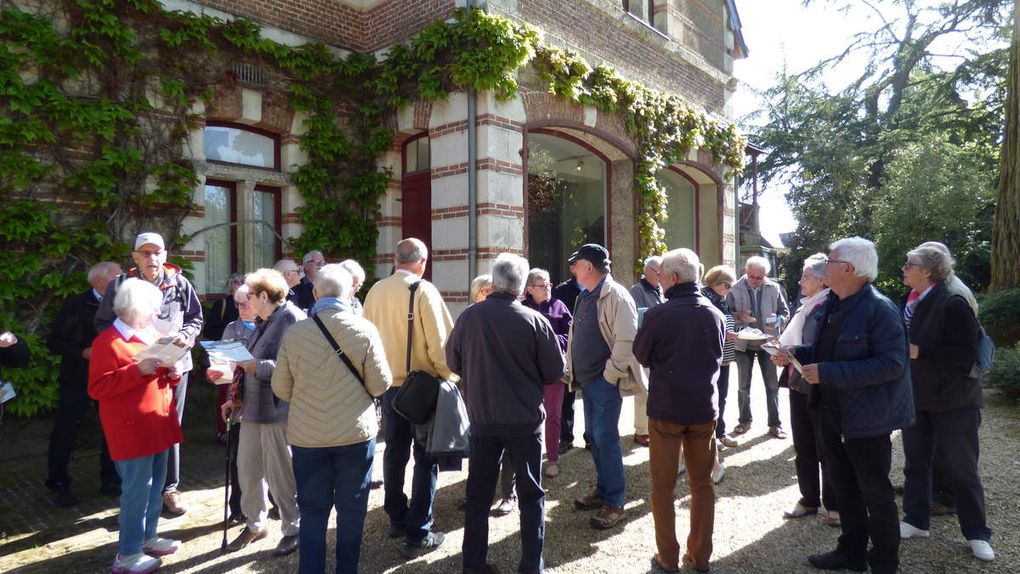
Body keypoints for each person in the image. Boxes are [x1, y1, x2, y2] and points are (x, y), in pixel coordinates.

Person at [775, 237, 914, 574]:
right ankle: (851, 552)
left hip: (867, 418)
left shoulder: (879, 310)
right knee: (843, 487)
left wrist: (828, 372)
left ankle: (884, 562)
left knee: (875, 493)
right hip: (831, 411)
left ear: (849, 270)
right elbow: (827, 351)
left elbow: (891, 365)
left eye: (831, 262)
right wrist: (795, 356)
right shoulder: (834, 303)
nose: (825, 268)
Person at [447, 253, 566, 574]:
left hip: (483, 417)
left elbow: (452, 361)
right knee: (531, 494)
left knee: (478, 493)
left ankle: (473, 563)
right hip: (524, 419)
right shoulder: (534, 320)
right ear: (521, 286)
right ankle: (530, 565)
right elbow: (555, 370)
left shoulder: (470, 317)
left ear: (495, 282)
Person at [273, 264, 392, 574]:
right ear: (350, 292)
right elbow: (380, 384)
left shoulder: (295, 333)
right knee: (351, 511)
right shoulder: (364, 330)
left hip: (307, 437)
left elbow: (281, 387)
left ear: (314, 293)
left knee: (312, 510)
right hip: (354, 435)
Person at [95, 232, 203, 517]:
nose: (151, 258)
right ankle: (135, 493)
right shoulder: (120, 285)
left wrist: (185, 336)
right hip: (136, 367)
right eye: (145, 252)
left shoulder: (180, 283)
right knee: (135, 425)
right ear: (134, 257)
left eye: (156, 252)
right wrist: (130, 349)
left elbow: (195, 318)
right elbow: (104, 324)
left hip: (175, 365)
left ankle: (170, 489)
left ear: (165, 255)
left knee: (170, 425)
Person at [898, 245, 994, 562]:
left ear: (928, 270)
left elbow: (965, 353)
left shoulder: (953, 301)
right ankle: (915, 520)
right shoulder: (913, 300)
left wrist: (920, 352)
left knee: (962, 469)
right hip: (919, 394)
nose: (904, 269)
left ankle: (977, 534)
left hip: (955, 399)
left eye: (909, 264)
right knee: (915, 462)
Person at [634, 248, 724, 574]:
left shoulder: (659, 314)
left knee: (663, 485)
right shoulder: (715, 313)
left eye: (662, 276)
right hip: (703, 408)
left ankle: (667, 558)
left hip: (667, 410)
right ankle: (699, 558)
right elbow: (719, 356)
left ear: (672, 278)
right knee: (702, 485)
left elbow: (641, 354)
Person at [364, 238, 456, 557]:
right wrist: (452, 379)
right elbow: (440, 347)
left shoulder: (375, 291)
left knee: (394, 452)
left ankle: (396, 516)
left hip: (388, 387)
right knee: (425, 458)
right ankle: (419, 530)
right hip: (420, 388)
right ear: (422, 262)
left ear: (395, 259)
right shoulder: (423, 290)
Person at [87, 278, 184, 574]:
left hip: (157, 423)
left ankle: (148, 537)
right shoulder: (107, 342)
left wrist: (174, 371)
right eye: (153, 309)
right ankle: (127, 554)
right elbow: (97, 388)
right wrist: (137, 370)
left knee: (155, 486)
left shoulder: (149, 334)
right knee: (136, 491)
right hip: (131, 429)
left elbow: (161, 377)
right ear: (133, 309)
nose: (157, 315)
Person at [215, 269, 304, 557]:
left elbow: (295, 370)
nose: (245, 300)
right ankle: (255, 522)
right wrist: (233, 398)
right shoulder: (264, 321)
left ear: (264, 296)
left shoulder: (291, 320)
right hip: (250, 410)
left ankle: (293, 528)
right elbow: (244, 367)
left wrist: (258, 366)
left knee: (281, 474)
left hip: (278, 411)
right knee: (248, 469)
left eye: (250, 295)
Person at [564, 243, 641, 530]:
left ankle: (614, 501)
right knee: (595, 439)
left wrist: (610, 375)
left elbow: (627, 341)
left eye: (576, 264)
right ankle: (603, 489)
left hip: (603, 382)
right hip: (589, 381)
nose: (572, 269)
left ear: (589, 267)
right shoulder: (586, 294)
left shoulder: (616, 295)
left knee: (606, 440)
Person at [45, 261, 123, 508]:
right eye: (117, 276)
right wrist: (82, 352)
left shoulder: (123, 305)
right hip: (77, 378)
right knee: (66, 430)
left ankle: (110, 480)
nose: (122, 280)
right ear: (99, 280)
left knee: (112, 429)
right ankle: (59, 482)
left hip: (110, 376)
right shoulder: (75, 305)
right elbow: (54, 342)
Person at [777, 254, 839, 527]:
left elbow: (825, 347)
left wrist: (791, 352)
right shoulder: (805, 305)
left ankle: (834, 504)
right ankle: (809, 498)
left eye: (806, 276)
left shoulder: (830, 305)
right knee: (803, 444)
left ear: (823, 279)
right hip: (797, 381)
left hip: (819, 383)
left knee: (826, 446)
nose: (800, 281)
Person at [727, 255, 790, 439]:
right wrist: (740, 316)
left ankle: (775, 424)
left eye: (759, 277)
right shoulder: (735, 288)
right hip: (743, 342)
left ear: (765, 275)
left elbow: (785, 312)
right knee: (743, 385)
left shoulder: (774, 288)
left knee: (772, 384)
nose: (755, 280)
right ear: (746, 272)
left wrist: (778, 321)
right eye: (752, 276)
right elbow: (727, 314)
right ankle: (744, 420)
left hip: (768, 342)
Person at [522, 268, 572, 479]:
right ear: (530, 288)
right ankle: (527, 460)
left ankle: (552, 459)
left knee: (553, 415)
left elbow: (570, 336)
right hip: (527, 372)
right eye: (543, 285)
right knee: (528, 416)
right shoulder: (521, 308)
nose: (548, 288)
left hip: (553, 370)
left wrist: (548, 340)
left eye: (549, 284)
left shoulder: (559, 306)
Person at [217, 283, 258, 523]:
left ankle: (273, 501)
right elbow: (222, 366)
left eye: (246, 303)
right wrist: (218, 371)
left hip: (263, 398)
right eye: (238, 304)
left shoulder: (268, 327)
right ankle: (237, 508)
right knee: (238, 456)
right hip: (239, 399)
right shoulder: (232, 329)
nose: (242, 308)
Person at [700, 265, 740, 484]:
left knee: (722, 396)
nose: (729, 289)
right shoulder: (707, 298)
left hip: (725, 356)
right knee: (714, 398)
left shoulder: (721, 299)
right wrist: (728, 334)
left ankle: (720, 433)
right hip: (714, 357)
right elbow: (711, 328)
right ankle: (713, 437)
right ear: (716, 283)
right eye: (727, 285)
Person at [629, 255, 664, 448]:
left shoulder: (660, 289)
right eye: (658, 272)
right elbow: (638, 317)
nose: (661, 276)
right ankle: (641, 431)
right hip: (645, 345)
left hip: (660, 346)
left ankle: (652, 426)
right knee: (643, 390)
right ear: (647, 271)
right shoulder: (637, 290)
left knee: (656, 389)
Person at [552, 265, 582, 452]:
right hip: (568, 350)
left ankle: (591, 437)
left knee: (591, 395)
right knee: (566, 395)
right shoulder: (562, 290)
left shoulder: (598, 288)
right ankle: (566, 436)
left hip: (587, 349)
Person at [203, 273, 244, 341]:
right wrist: (230, 335)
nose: (240, 284)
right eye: (236, 282)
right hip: (226, 346)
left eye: (243, 282)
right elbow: (208, 331)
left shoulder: (252, 304)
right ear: (230, 285)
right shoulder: (221, 305)